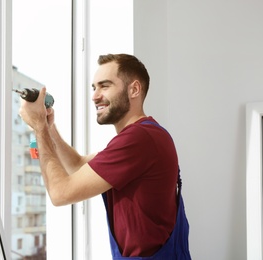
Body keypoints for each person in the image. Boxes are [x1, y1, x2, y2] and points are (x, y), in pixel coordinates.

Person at [19, 53, 191, 259]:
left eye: (105, 86)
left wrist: (39, 127)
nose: (94, 96)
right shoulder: (144, 136)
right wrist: (49, 128)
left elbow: (60, 193)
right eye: (94, 87)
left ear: (134, 89)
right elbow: (78, 165)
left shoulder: (139, 139)